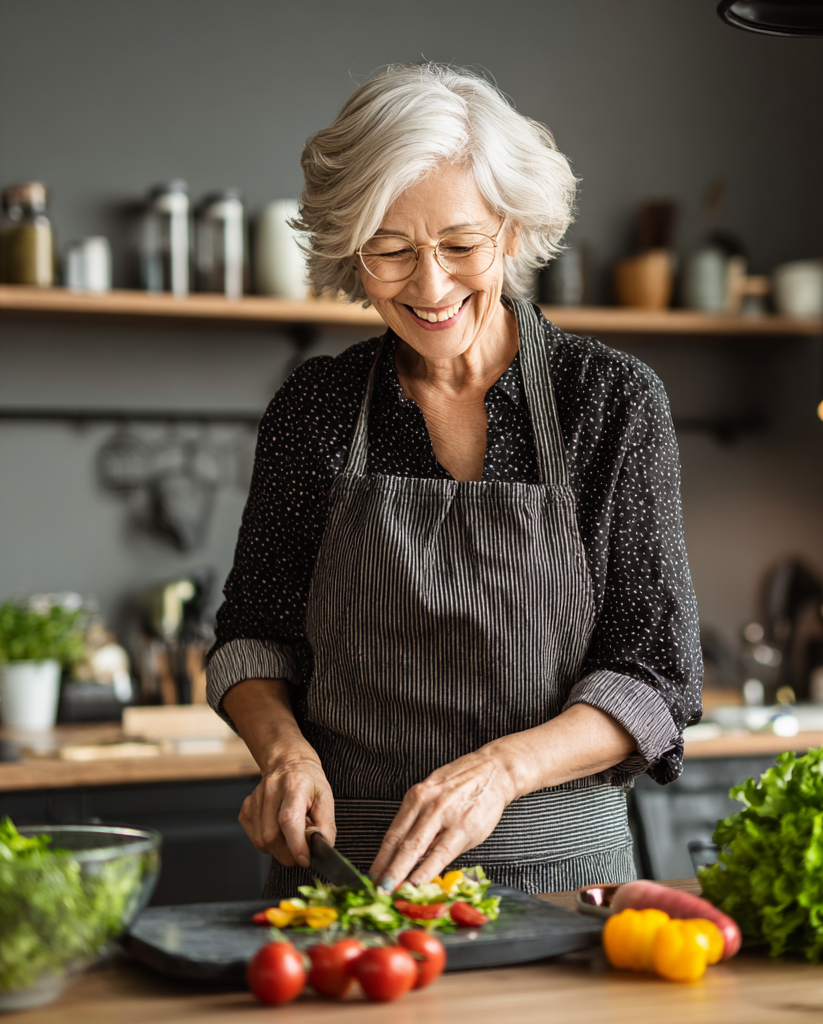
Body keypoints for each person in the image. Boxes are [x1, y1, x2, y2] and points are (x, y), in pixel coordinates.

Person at [207, 63, 702, 898]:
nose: (430, 288)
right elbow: (254, 636)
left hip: (564, 882)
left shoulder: (610, 402)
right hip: (349, 890)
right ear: (349, 250)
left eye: (460, 246)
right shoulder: (316, 408)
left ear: (511, 231)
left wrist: (500, 772)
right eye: (390, 252)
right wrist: (284, 752)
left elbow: (655, 673)